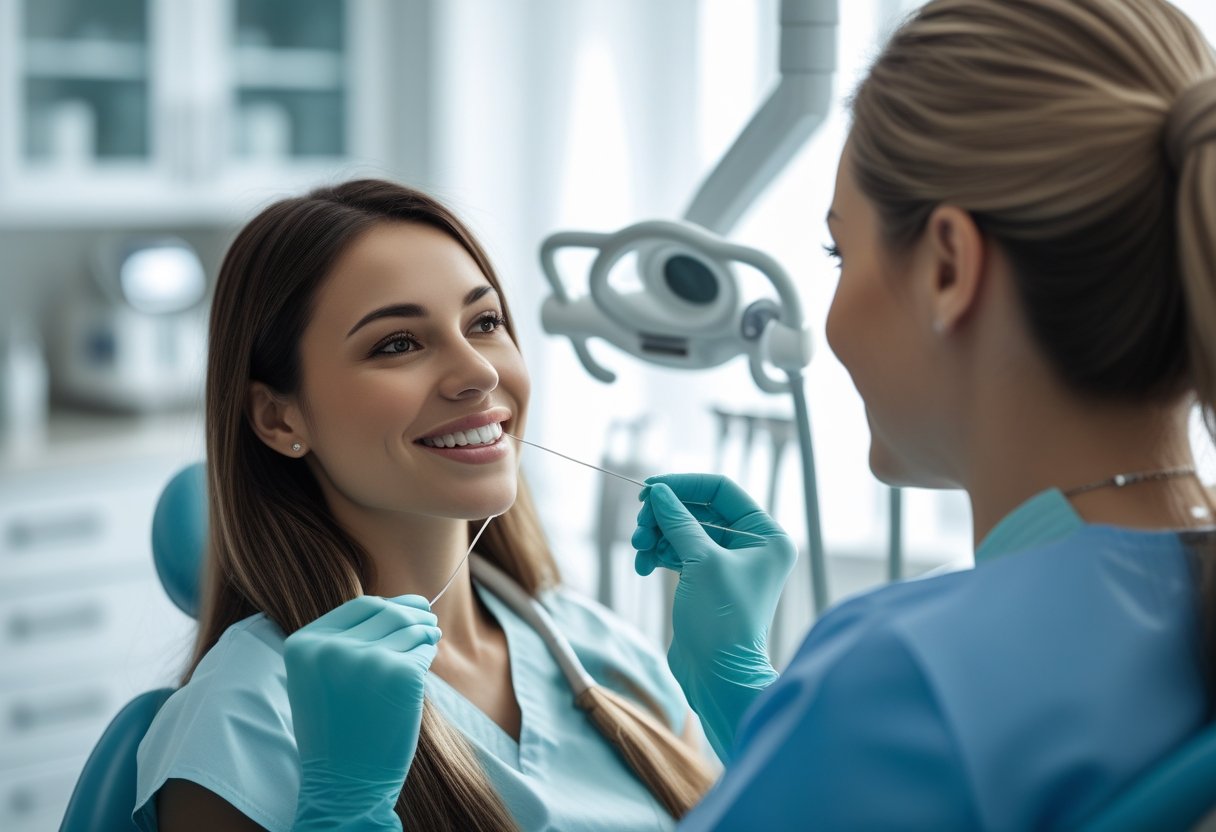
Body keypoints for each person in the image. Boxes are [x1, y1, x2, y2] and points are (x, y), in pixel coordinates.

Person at [632, 0, 1216, 827]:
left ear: (948, 266)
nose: (829, 320)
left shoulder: (902, 676)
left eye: (842, 251)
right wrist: (757, 712)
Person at [134, 179, 715, 831]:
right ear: (277, 417)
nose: (479, 373)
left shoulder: (604, 650)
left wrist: (748, 701)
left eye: (485, 323)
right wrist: (345, 808)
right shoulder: (246, 716)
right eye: (398, 343)